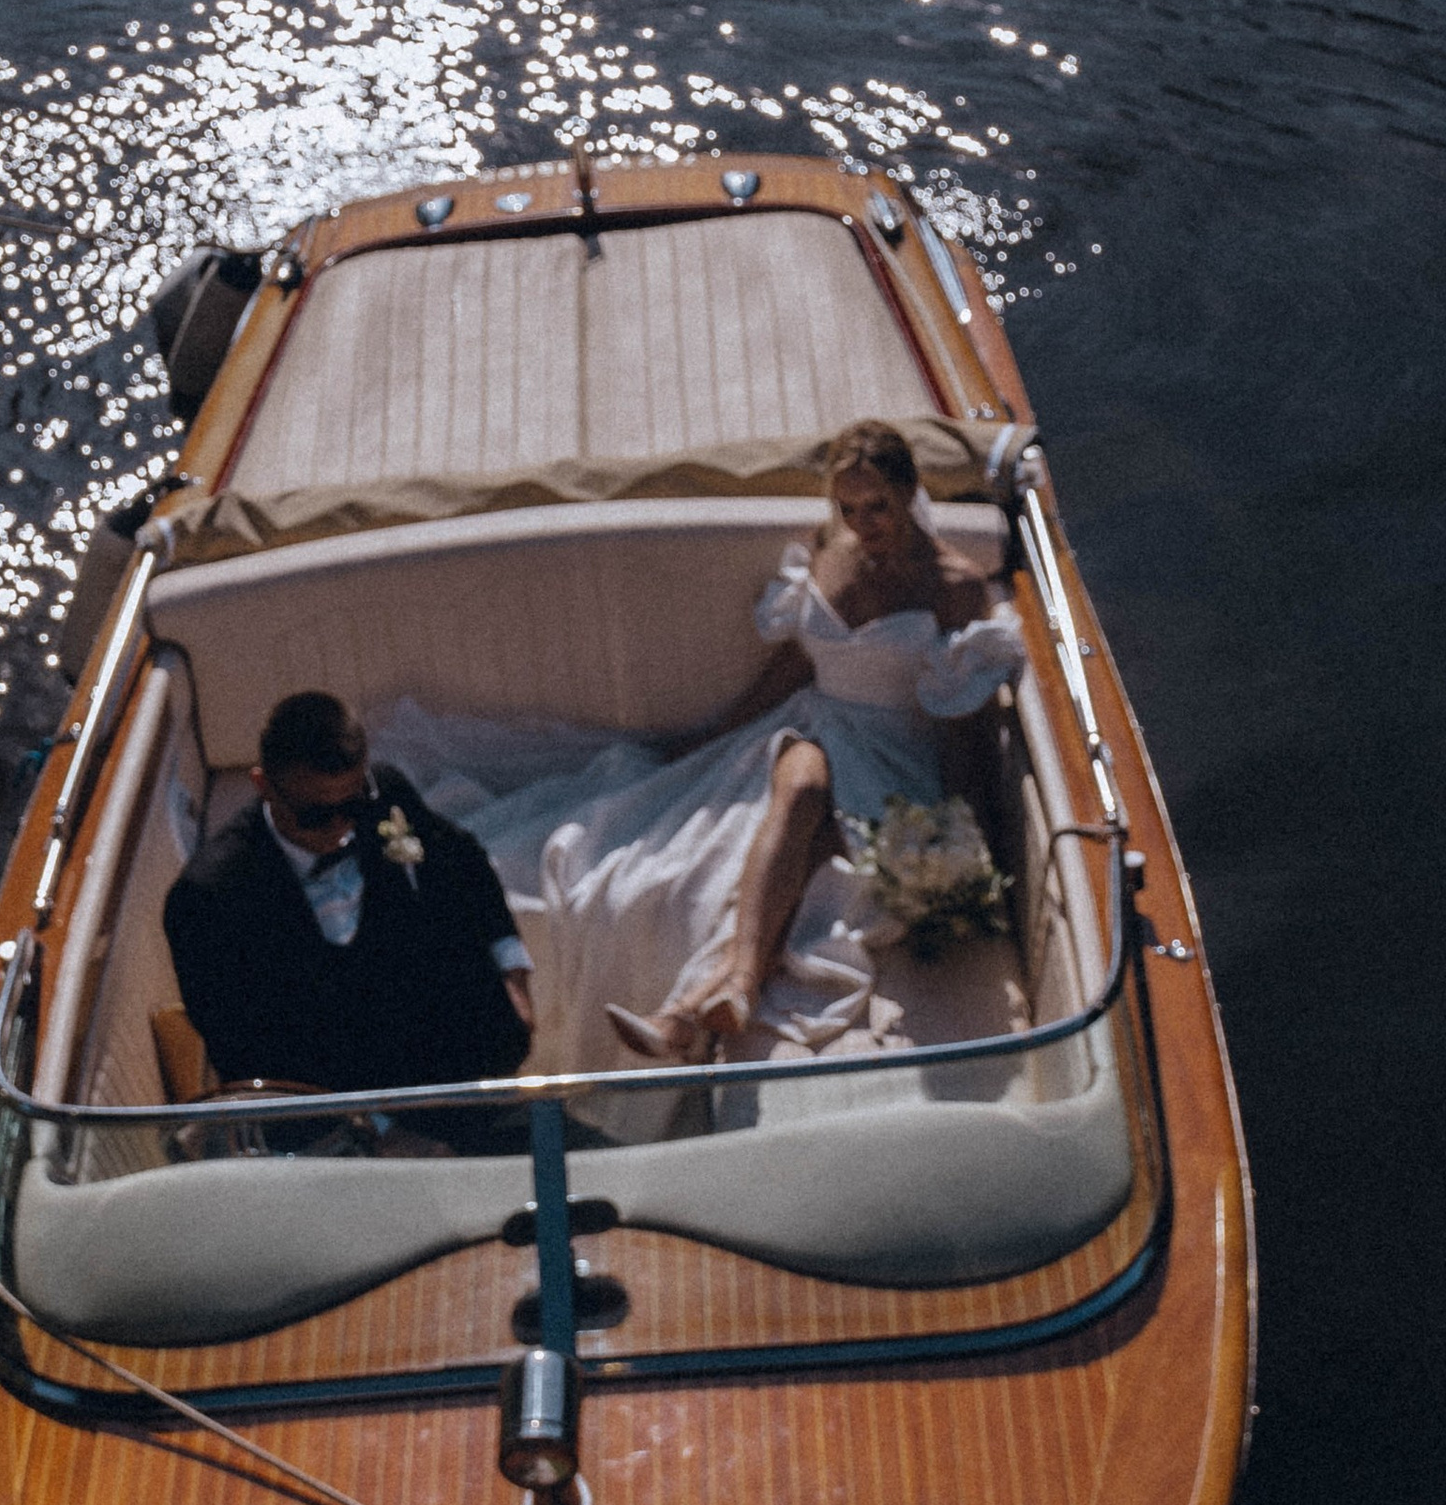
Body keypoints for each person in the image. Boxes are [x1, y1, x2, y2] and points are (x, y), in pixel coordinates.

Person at [538, 417, 1028, 1081]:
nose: (863, 524)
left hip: (895, 759)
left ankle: (689, 1009)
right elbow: (799, 663)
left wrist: (972, 831)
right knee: (798, 788)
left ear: (910, 491)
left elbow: (964, 722)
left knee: (804, 866)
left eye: (878, 506)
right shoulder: (827, 548)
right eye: (849, 508)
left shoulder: (954, 585)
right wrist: (716, 732)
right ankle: (728, 988)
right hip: (817, 726)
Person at [163, 689, 532, 1138]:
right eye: (316, 814)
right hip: (324, 1122)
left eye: (353, 806)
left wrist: (512, 969)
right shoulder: (209, 900)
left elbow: (465, 859)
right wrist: (377, 1132)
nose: (341, 828)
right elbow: (249, 1057)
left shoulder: (385, 793)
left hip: (445, 1079)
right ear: (263, 786)